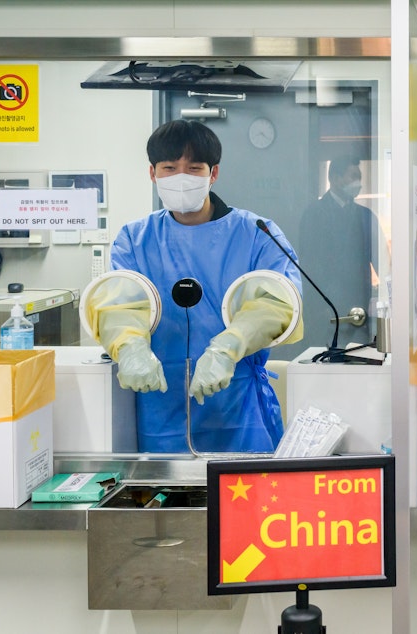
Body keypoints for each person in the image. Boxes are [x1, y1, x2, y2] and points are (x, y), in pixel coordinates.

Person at [89, 119, 303, 453]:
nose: (180, 178)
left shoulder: (257, 234)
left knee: (249, 499)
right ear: (153, 173)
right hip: (159, 409)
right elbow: (119, 304)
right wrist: (130, 348)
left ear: (213, 173)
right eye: (169, 168)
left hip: (236, 406)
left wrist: (226, 350)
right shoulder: (135, 239)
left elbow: (275, 304)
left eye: (193, 168)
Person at [297, 155, 376, 350]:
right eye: (353, 176)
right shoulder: (314, 215)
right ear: (335, 178)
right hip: (324, 310)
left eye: (360, 177)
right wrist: (320, 305)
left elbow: (380, 259)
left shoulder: (365, 216)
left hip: (359, 310)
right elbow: (309, 265)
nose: (358, 183)